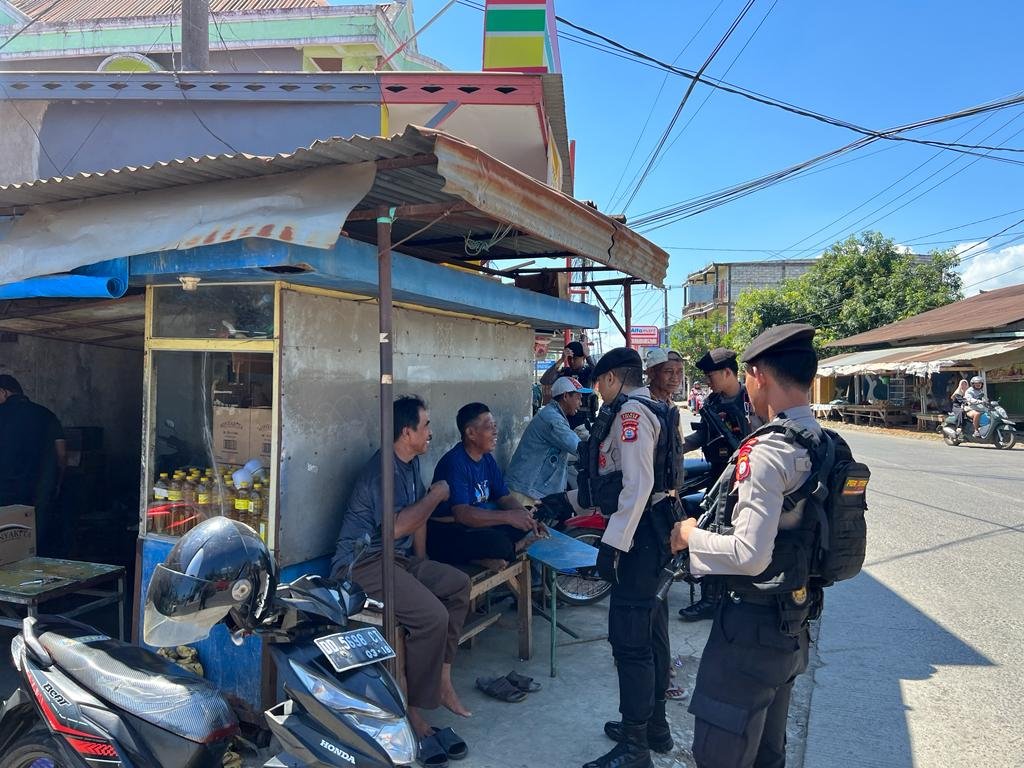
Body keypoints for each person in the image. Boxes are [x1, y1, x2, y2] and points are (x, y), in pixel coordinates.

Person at [670, 323, 822, 768]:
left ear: (757, 375)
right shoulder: (824, 441)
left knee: (721, 753)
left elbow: (749, 555)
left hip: (751, 630)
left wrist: (688, 536)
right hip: (794, 623)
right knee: (767, 754)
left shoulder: (768, 451)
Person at [330, 395, 472, 745]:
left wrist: (421, 563)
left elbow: (417, 518)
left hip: (397, 559)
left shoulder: (410, 462)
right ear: (407, 432)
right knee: (433, 617)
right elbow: (397, 526)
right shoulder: (383, 471)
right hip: (360, 564)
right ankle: (412, 708)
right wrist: (437, 495)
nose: (430, 433)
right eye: (426, 426)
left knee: (458, 584)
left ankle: (442, 678)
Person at [580, 347, 681, 768]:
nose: (598, 393)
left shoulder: (632, 414)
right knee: (653, 632)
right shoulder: (658, 408)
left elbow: (636, 487)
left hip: (639, 539)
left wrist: (613, 545)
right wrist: (565, 500)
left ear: (611, 379)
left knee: (631, 641)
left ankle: (635, 748)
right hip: (656, 532)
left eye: (598, 384)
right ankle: (654, 728)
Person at [678, 348, 761, 622]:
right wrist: (678, 448)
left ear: (727, 372)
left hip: (748, 476)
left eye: (710, 375)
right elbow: (703, 435)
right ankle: (711, 600)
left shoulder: (752, 399)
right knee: (711, 530)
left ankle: (736, 598)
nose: (707, 380)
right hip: (719, 475)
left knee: (741, 536)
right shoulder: (712, 403)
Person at [428, 402, 542, 570]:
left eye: (495, 426)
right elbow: (462, 514)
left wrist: (526, 518)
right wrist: (509, 517)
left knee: (531, 514)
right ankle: (508, 549)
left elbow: (504, 497)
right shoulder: (455, 462)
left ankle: (492, 554)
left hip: (478, 526)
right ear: (471, 433)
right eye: (489, 427)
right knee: (499, 544)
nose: (495, 431)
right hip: (449, 530)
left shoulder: (487, 458)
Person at [0, 375, 66, 557]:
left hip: (4, 492)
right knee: (33, 543)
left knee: (6, 544)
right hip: (38, 492)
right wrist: (58, 483)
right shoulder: (47, 415)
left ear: (3, 392)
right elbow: (61, 454)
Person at [505, 376, 591, 506]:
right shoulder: (552, 419)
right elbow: (578, 448)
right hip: (525, 492)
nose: (580, 403)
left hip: (529, 489)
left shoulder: (553, 415)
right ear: (566, 396)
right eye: (578, 398)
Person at [540, 339, 598, 427]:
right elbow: (545, 380)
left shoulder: (589, 371)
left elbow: (600, 374)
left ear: (583, 357)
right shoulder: (565, 372)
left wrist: (588, 356)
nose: (572, 362)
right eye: (570, 359)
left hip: (586, 418)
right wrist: (561, 360)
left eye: (575, 358)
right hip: (566, 418)